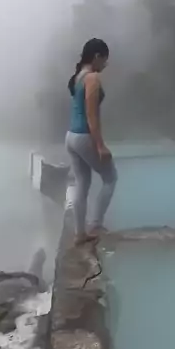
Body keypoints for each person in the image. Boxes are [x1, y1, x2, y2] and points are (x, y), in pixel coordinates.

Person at [65, 38, 117, 245]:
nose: (105, 64)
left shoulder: (78, 77)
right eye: (104, 59)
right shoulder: (92, 78)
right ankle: (96, 225)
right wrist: (100, 145)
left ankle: (80, 234)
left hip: (71, 137)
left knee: (82, 183)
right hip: (84, 136)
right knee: (110, 178)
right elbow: (91, 114)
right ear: (97, 57)